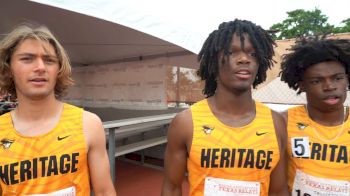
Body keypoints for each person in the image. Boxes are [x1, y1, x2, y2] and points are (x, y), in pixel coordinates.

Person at [161, 19, 288, 196]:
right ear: (214, 60)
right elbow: (172, 188)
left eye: (252, 54)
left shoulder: (276, 123)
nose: (244, 59)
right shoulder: (186, 122)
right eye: (231, 52)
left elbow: (279, 190)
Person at [0, 25, 116, 195]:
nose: (40, 67)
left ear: (58, 70)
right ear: (9, 69)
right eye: (27, 59)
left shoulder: (88, 124)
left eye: (49, 60)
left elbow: (105, 191)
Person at [280, 36, 350, 195]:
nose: (330, 86)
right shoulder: (283, 122)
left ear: (347, 79)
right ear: (302, 85)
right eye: (317, 81)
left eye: (337, 78)